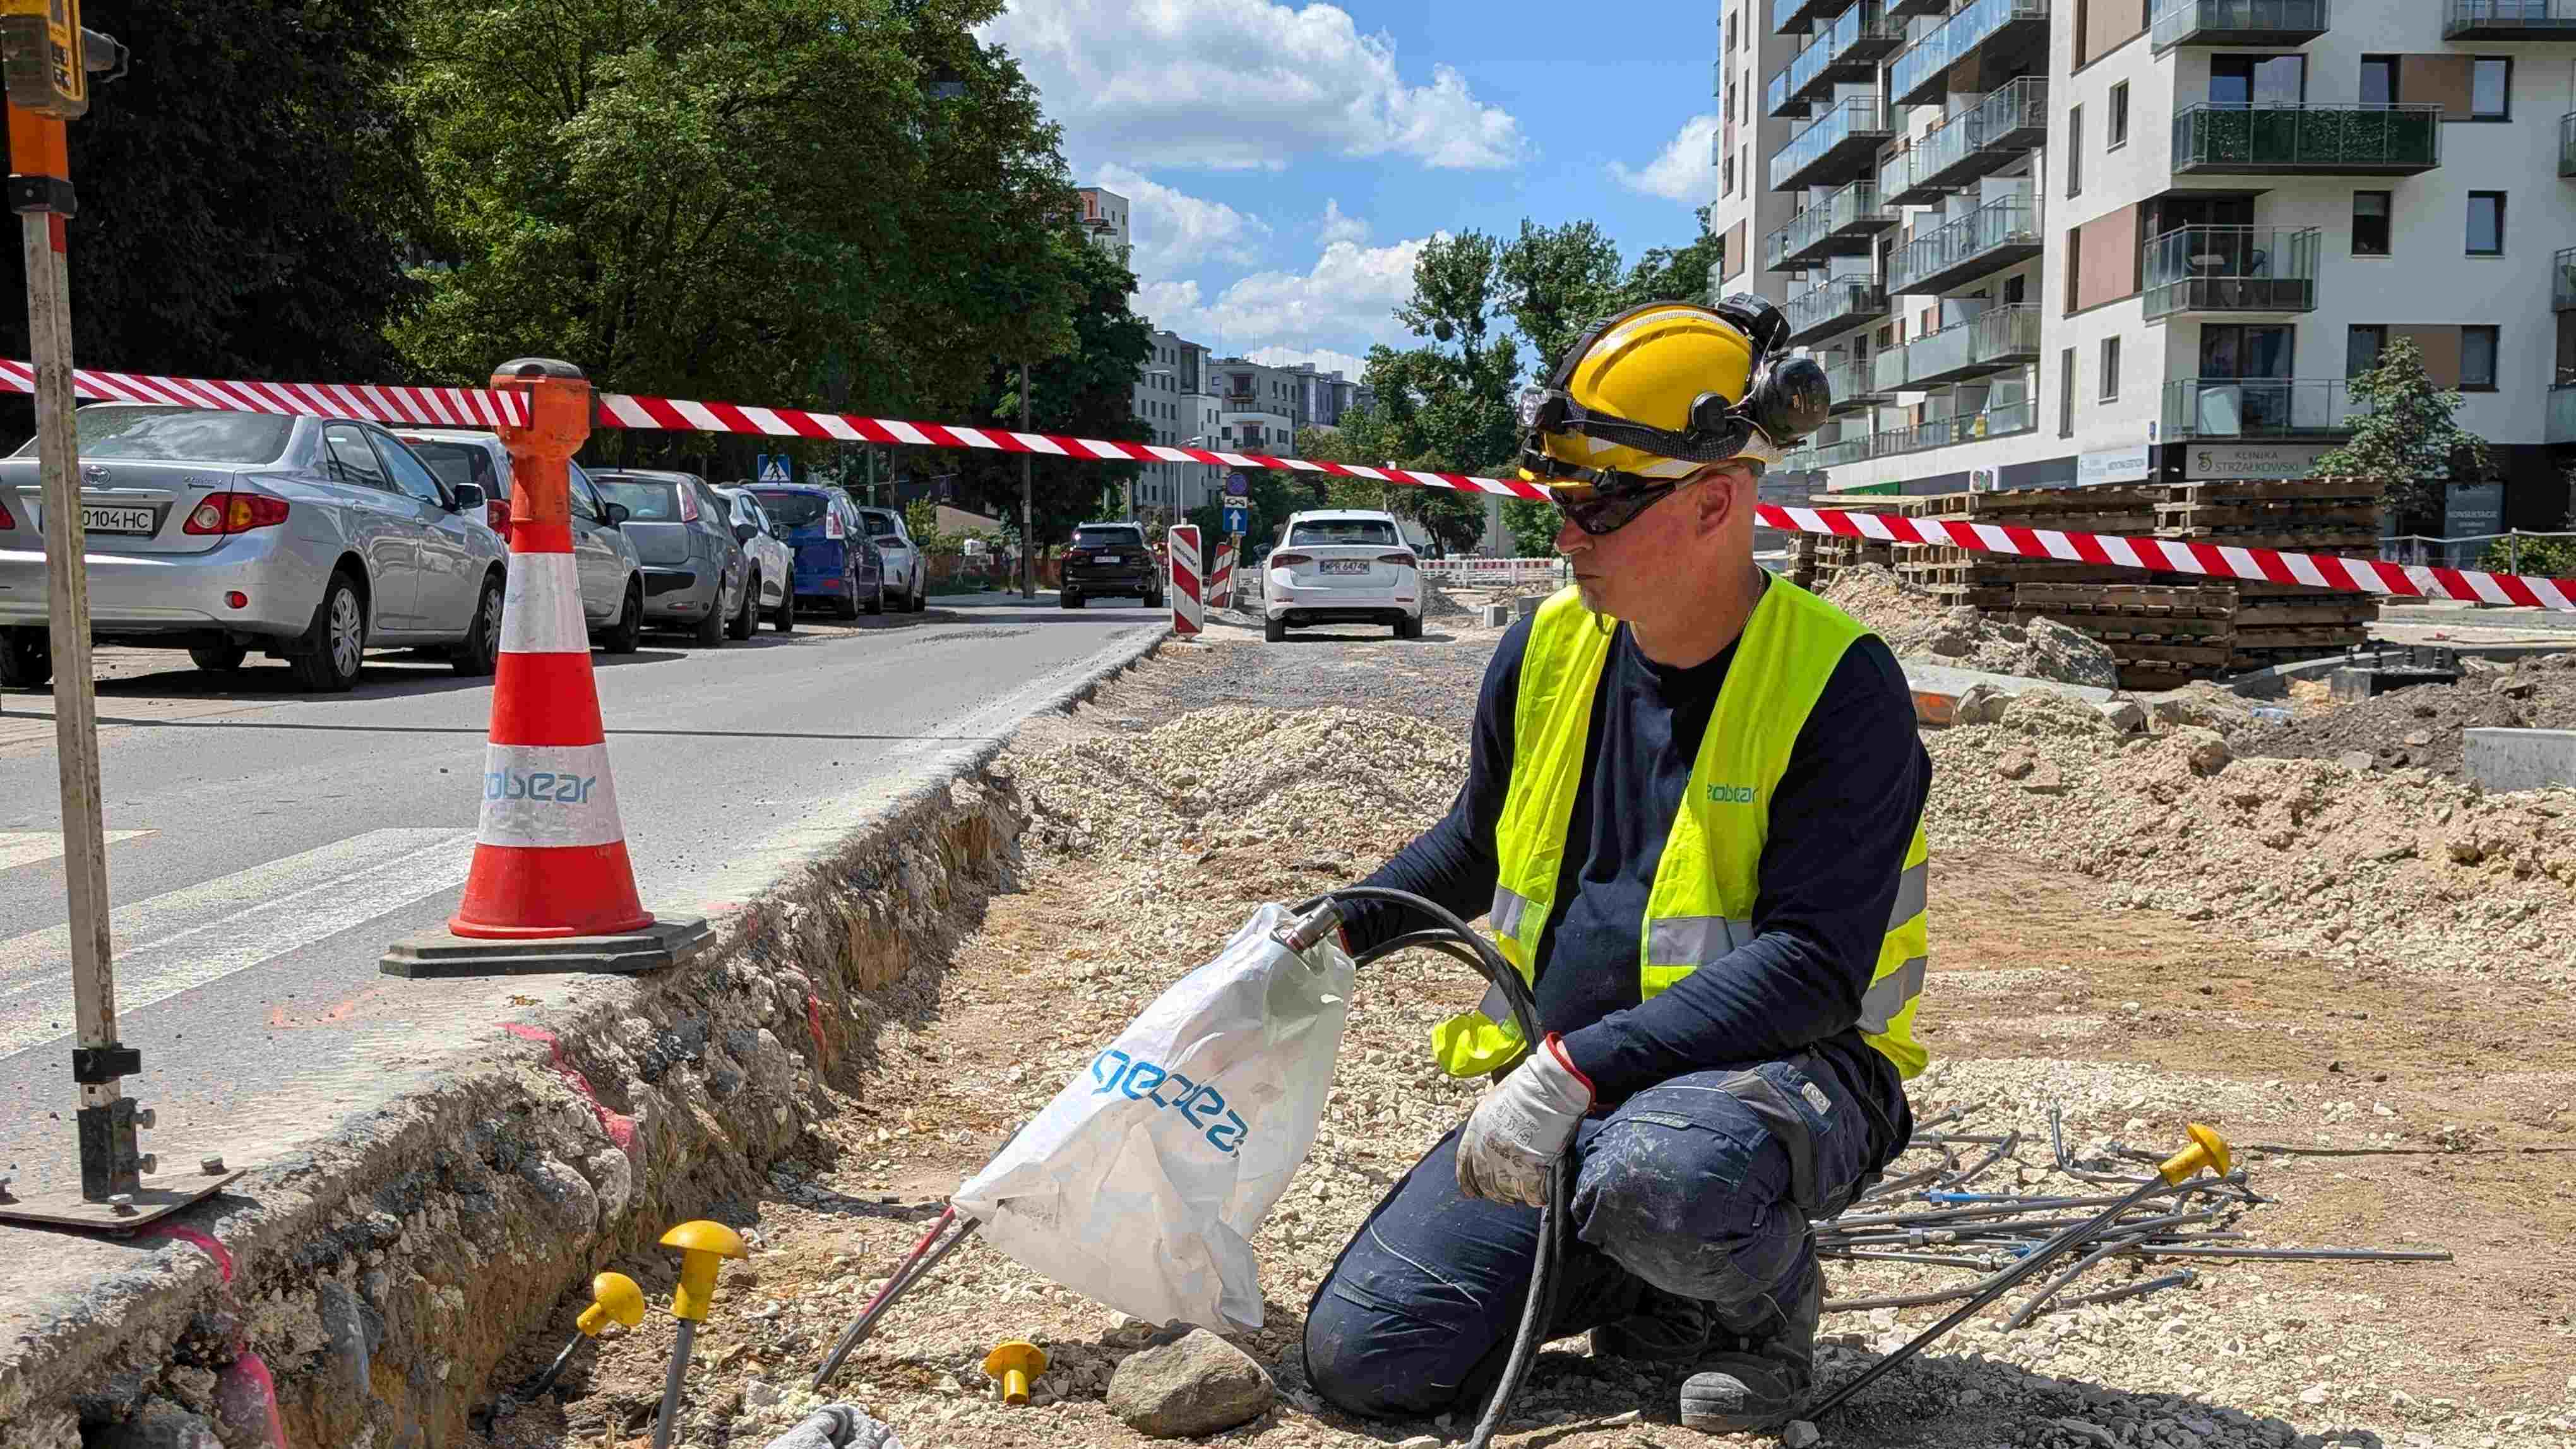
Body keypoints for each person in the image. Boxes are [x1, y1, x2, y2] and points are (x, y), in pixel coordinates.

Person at [1299, 297, 1932, 1434]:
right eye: (1560, 501)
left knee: (1666, 1180)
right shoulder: (1547, 644)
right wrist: (1327, 935)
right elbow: (1473, 845)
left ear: (1717, 502)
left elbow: (1814, 969)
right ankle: (1644, 1277)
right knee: (1370, 1360)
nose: (1567, 534)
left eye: (1599, 504)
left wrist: (1574, 1071)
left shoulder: (1841, 686)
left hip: (1790, 1079)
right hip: (1582, 1091)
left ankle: (1758, 1320)